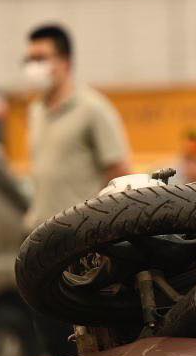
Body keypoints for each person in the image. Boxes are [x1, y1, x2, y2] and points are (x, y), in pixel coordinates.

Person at [21, 23, 132, 227]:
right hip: (42, 230)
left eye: (41, 59)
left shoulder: (92, 108)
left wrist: (99, 219)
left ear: (65, 62)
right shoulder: (36, 111)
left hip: (80, 232)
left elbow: (119, 170)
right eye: (30, 60)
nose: (34, 67)